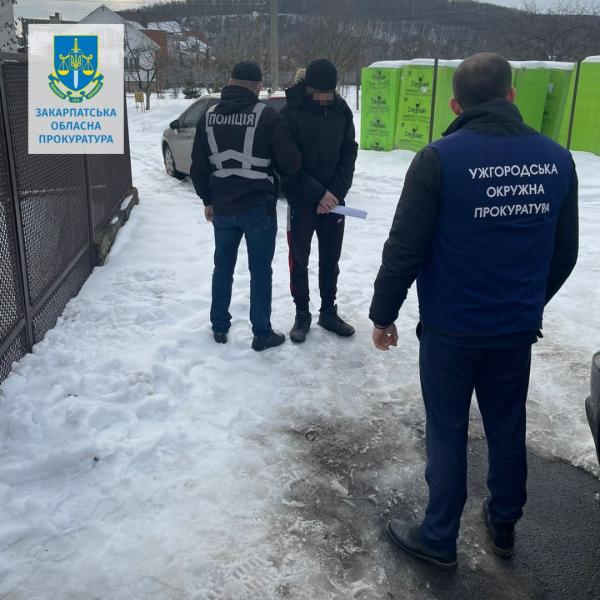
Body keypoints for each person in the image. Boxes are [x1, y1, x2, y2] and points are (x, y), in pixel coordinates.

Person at [370, 53, 579, 570]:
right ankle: (504, 522)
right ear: (512, 95)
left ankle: (439, 535)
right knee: (507, 424)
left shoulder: (438, 158)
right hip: (514, 330)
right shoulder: (557, 159)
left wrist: (383, 314)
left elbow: (405, 247)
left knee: (447, 428)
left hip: (451, 329)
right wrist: (526, 303)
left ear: (454, 105)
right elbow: (565, 253)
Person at [191, 61, 302, 351]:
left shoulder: (208, 117)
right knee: (260, 271)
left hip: (222, 208)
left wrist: (207, 200)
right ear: (258, 86)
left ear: (230, 81)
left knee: (222, 267)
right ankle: (261, 333)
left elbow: (198, 166)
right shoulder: (267, 117)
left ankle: (219, 325)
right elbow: (291, 164)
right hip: (258, 208)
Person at [281, 59, 359, 344]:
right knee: (299, 260)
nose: (326, 98)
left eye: (330, 92)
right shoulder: (291, 113)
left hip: (334, 202)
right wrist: (318, 194)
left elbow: (349, 152)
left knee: (330, 259)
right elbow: (287, 164)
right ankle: (302, 313)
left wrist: (334, 193)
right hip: (302, 202)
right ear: (309, 88)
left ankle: (328, 311)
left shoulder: (342, 110)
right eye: (320, 93)